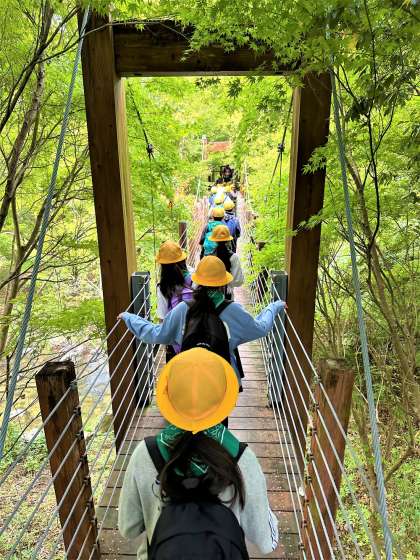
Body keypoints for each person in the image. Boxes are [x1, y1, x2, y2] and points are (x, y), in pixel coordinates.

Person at [118, 348, 279, 559]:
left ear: (168, 397)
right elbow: (266, 541)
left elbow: (128, 528)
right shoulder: (242, 459)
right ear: (224, 398)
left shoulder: (146, 454)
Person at [118, 256, 286, 383]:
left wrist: (129, 318)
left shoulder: (182, 308)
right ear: (223, 284)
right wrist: (275, 306)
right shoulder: (234, 310)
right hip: (222, 378)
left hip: (190, 376)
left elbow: (156, 334)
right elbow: (261, 328)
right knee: (220, 417)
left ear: (197, 281)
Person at [155, 241, 193, 360]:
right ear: (183, 260)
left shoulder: (162, 288)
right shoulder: (195, 276)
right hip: (197, 334)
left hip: (175, 341)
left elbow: (163, 318)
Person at [207, 225, 244, 299]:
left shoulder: (209, 257)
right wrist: (229, 284)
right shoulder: (234, 257)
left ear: (214, 240)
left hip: (210, 295)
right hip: (227, 295)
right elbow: (238, 281)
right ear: (228, 240)